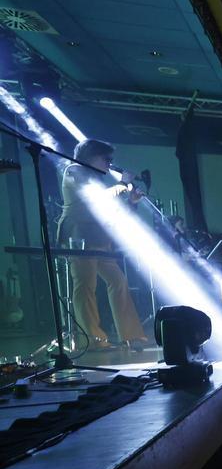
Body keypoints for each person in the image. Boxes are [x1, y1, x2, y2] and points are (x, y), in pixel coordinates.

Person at [56, 139, 147, 350]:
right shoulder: (74, 170)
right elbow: (94, 200)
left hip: (99, 238)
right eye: (106, 158)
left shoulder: (95, 178)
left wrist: (131, 203)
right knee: (86, 285)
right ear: (91, 156)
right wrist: (122, 185)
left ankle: (131, 335)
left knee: (118, 281)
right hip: (78, 236)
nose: (110, 163)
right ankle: (93, 339)